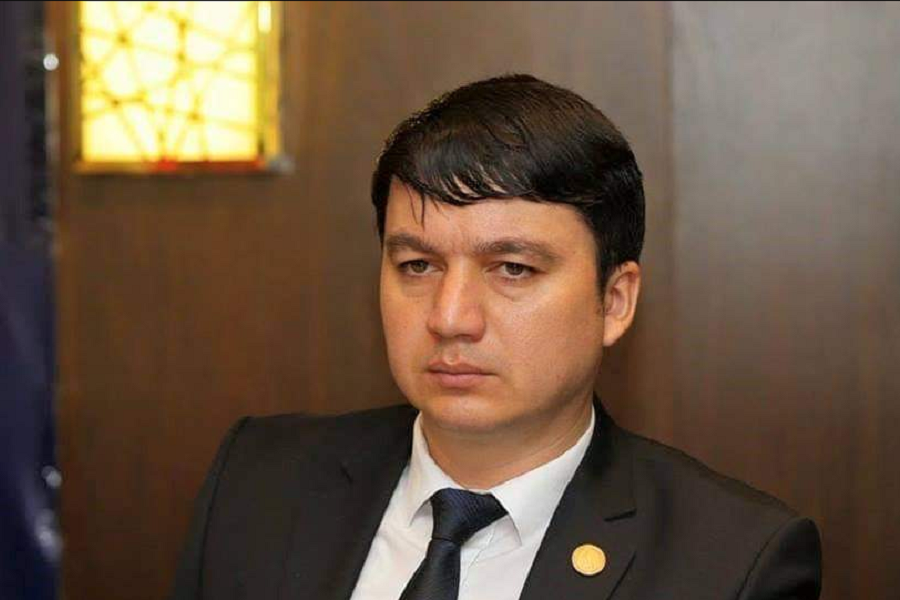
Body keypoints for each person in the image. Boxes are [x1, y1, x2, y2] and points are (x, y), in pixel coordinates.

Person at [169, 74, 821, 600]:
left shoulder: (732, 563)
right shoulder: (259, 483)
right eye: (417, 266)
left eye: (513, 269)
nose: (450, 317)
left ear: (614, 301)